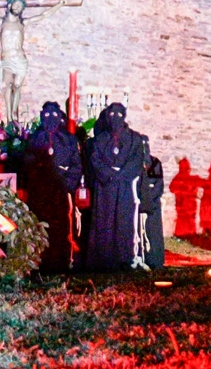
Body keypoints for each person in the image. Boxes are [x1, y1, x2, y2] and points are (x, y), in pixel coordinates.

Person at [86, 102, 146, 272]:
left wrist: (121, 175)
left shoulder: (134, 138)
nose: (115, 119)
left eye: (119, 115)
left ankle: (124, 256)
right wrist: (109, 174)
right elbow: (95, 160)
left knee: (124, 221)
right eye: (111, 115)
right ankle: (104, 258)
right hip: (106, 186)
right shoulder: (100, 140)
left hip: (125, 186)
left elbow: (137, 159)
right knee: (104, 220)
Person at [24, 101, 84, 272]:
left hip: (61, 191)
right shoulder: (34, 139)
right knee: (40, 225)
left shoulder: (69, 140)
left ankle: (62, 260)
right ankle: (40, 260)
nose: (51, 119)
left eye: (55, 115)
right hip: (40, 193)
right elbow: (28, 164)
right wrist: (39, 183)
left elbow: (76, 166)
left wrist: (66, 185)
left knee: (61, 226)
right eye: (47, 115)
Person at [138, 142, 166, 271]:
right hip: (138, 204)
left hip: (152, 205)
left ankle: (155, 259)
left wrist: (148, 200)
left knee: (153, 234)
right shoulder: (134, 163)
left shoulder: (155, 163)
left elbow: (158, 185)